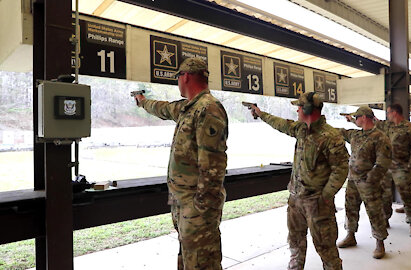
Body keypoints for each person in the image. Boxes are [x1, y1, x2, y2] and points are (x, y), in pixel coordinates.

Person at [133, 58, 228, 270]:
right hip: (185, 204)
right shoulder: (189, 108)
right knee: (188, 261)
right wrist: (142, 101)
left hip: (197, 207)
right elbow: (163, 108)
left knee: (203, 264)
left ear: (185, 76)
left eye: (178, 77)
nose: (178, 82)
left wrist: (202, 210)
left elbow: (213, 166)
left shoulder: (208, 109)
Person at [247, 92, 348, 270]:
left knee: (326, 249)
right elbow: (279, 123)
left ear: (308, 109)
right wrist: (261, 114)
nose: (297, 110)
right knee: (295, 243)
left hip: (317, 203)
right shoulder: (300, 129)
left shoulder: (331, 136)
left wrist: (325, 196)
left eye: (299, 107)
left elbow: (340, 169)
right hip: (296, 200)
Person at [336, 106, 392, 259]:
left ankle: (380, 242)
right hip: (353, 180)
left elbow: (383, 162)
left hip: (368, 182)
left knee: (374, 211)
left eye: (357, 117)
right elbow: (339, 132)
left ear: (364, 117)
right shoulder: (355, 135)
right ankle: (350, 235)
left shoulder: (380, 137)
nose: (355, 120)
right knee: (350, 208)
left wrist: (371, 179)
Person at [375, 104, 411, 237]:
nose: (387, 115)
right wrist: (353, 119)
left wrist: (410, 167)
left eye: (388, 113)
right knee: (384, 195)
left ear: (394, 113)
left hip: (402, 167)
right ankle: (385, 219)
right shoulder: (387, 126)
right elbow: (371, 123)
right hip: (387, 167)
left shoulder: (410, 128)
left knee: (407, 196)